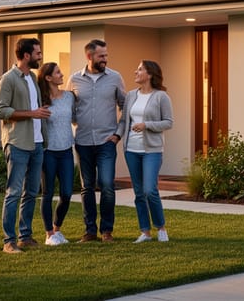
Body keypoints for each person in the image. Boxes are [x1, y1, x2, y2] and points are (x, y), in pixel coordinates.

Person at [0, 37, 51, 254]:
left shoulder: (32, 78)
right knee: (14, 192)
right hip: (17, 143)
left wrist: (40, 113)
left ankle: (25, 236)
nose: (40, 56)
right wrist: (32, 113)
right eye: (37, 53)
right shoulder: (8, 79)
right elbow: (0, 111)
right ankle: (9, 241)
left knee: (31, 192)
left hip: (36, 144)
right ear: (26, 55)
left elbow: (34, 109)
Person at [68, 39, 125, 243]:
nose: (105, 59)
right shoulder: (74, 79)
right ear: (89, 56)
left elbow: (124, 107)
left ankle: (107, 231)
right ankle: (90, 231)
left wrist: (118, 134)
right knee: (87, 187)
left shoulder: (115, 78)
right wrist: (77, 124)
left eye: (106, 55)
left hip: (106, 142)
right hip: (82, 141)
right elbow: (69, 107)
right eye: (101, 56)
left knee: (108, 185)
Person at [117, 60, 174, 243]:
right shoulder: (131, 96)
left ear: (149, 74)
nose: (136, 71)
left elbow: (168, 122)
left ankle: (161, 228)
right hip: (131, 150)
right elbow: (124, 121)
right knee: (139, 192)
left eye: (140, 69)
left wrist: (146, 125)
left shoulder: (161, 97)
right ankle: (145, 232)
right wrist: (117, 136)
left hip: (152, 150)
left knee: (150, 190)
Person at [37, 62, 75, 246]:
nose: (62, 74)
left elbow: (76, 118)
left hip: (66, 150)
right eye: (58, 72)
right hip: (48, 152)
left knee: (67, 193)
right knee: (48, 193)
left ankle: (57, 229)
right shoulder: (40, 100)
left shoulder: (69, 97)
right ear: (48, 77)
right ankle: (49, 234)